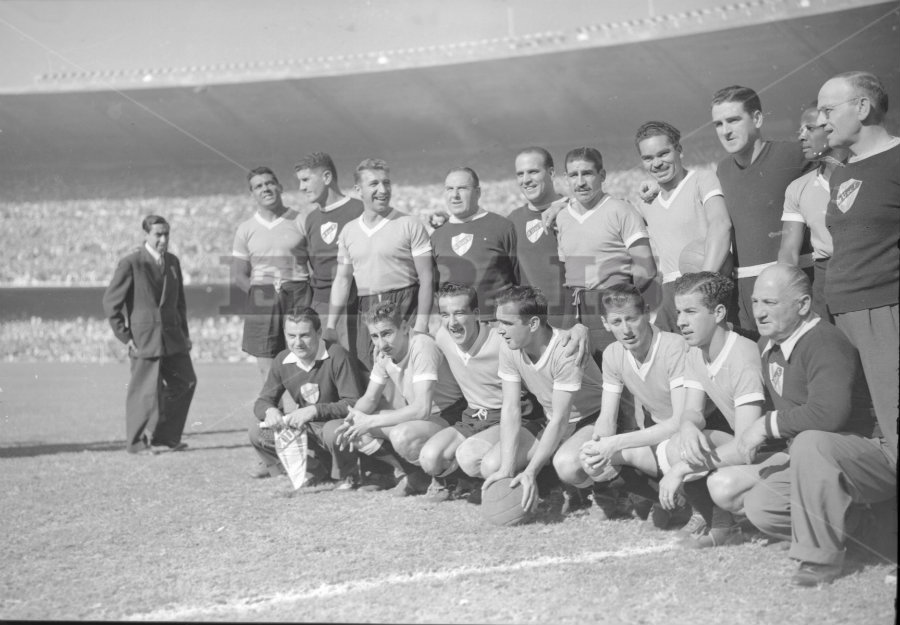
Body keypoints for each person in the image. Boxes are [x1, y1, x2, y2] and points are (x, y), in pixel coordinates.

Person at [731, 264, 895, 586]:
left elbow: (828, 414)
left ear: (804, 305)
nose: (759, 312)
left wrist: (765, 425)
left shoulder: (823, 341)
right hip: (820, 460)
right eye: (755, 302)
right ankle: (870, 532)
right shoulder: (769, 347)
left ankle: (819, 560)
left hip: (872, 453)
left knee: (810, 441)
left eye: (770, 303)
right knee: (763, 505)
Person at [817, 71, 899, 456]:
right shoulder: (842, 173)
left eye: (828, 110)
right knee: (862, 427)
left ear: (863, 107)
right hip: (842, 315)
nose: (821, 121)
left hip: (885, 313)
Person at [656, 272, 768, 547]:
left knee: (722, 485)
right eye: (679, 312)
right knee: (677, 445)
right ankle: (722, 526)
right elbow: (693, 411)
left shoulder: (742, 357)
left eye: (691, 312)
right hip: (747, 447)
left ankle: (778, 523)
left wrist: (680, 470)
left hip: (774, 452)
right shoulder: (696, 350)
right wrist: (688, 426)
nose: (681, 321)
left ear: (718, 313)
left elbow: (746, 447)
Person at [567, 284, 693, 528]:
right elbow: (607, 418)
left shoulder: (674, 346)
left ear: (647, 313)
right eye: (616, 322)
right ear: (605, 323)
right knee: (593, 459)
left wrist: (616, 442)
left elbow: (680, 422)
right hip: (657, 437)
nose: (626, 329)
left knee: (676, 447)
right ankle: (670, 499)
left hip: (692, 435)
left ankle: (700, 503)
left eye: (632, 318)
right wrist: (598, 447)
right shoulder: (613, 354)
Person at [473, 286, 607, 516]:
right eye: (498, 322)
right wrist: (507, 468)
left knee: (566, 464)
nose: (499, 330)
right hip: (552, 420)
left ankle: (604, 489)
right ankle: (550, 488)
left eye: (507, 323)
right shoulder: (509, 347)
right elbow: (511, 408)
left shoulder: (565, 350)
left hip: (592, 418)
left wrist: (530, 471)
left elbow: (561, 419)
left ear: (533, 324)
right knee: (491, 465)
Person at [335, 301, 464, 497]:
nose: (381, 344)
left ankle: (452, 480)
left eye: (387, 333)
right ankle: (416, 476)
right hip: (424, 419)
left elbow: (422, 409)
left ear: (404, 327)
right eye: (375, 336)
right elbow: (370, 398)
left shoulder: (422, 346)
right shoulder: (384, 352)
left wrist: (370, 421)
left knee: (401, 435)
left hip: (452, 416)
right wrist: (349, 421)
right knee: (357, 430)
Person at [711, 85, 811, 336]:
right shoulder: (722, 170)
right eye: (718, 124)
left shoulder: (793, 154)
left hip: (795, 282)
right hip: (747, 292)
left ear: (756, 118)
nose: (725, 131)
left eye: (733, 120)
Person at [326, 158, 433, 374]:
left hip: (405, 305)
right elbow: (343, 280)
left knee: (409, 375)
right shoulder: (348, 231)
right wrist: (330, 325)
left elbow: (427, 277)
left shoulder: (409, 224)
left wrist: (421, 324)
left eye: (386, 183)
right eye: (374, 184)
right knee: (370, 373)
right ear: (359, 190)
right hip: (367, 308)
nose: (383, 190)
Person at [103, 215, 196, 454]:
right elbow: (111, 303)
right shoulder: (131, 263)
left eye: (166, 234)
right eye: (158, 235)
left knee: (186, 382)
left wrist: (185, 335)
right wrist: (125, 336)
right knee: (144, 393)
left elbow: (180, 303)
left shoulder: (173, 262)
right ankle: (136, 443)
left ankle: (165, 437)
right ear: (146, 235)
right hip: (144, 340)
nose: (163, 239)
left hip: (173, 338)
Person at [554, 147, 658, 364]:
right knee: (583, 376)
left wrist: (619, 301)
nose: (580, 182)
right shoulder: (562, 218)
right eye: (573, 175)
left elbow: (646, 270)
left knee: (618, 373)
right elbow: (568, 273)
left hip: (613, 306)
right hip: (577, 311)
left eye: (587, 173)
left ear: (602, 175)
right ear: (566, 178)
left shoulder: (621, 210)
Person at [634, 121, 732, 332]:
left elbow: (721, 224)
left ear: (679, 149)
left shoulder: (702, 179)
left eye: (663, 154)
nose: (657, 163)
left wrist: (703, 283)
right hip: (671, 293)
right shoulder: (645, 202)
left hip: (707, 283)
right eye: (648, 158)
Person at [248, 308, 362, 486]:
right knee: (257, 432)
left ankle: (347, 475)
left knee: (333, 431)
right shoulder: (282, 360)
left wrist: (314, 410)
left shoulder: (337, 355)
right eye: (291, 336)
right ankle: (313, 470)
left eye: (304, 335)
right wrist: (270, 411)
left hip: (335, 425)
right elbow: (262, 401)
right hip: (306, 429)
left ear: (319, 332)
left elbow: (353, 403)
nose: (297, 343)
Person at [233, 166, 312, 382]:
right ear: (252, 193)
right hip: (263, 296)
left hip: (297, 292)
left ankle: (305, 404)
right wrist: (260, 294)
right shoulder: (246, 229)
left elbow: (316, 264)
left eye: (269, 183)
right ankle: (273, 404)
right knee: (266, 366)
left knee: (303, 360)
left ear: (280, 187)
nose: (265, 189)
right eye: (258, 186)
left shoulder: (301, 221)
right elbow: (239, 274)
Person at [777, 104, 849, 322]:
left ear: (831, 128)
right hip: (825, 284)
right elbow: (788, 251)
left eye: (809, 128)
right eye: (800, 130)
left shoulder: (867, 174)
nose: (801, 136)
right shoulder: (797, 189)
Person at [295, 152, 364, 358]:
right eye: (300, 181)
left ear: (326, 177)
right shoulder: (311, 219)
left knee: (361, 369)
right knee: (325, 370)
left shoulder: (360, 210)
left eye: (306, 180)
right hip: (320, 308)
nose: (301, 187)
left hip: (355, 307)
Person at [430, 167, 518, 314]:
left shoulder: (503, 227)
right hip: (454, 324)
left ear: (478, 192)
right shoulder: (436, 236)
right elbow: (433, 289)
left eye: (462, 188)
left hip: (496, 323)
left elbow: (519, 278)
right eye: (450, 189)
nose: (455, 195)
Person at [506, 147, 569, 324]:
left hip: (574, 323)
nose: (526, 180)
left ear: (551, 173)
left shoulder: (574, 211)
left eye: (533, 172)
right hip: (534, 327)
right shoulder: (512, 221)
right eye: (520, 174)